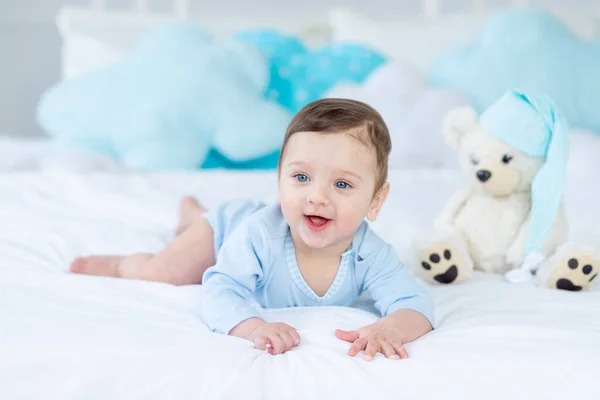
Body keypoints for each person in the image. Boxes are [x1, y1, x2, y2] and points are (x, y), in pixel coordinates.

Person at [70, 98, 434, 360]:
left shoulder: (371, 253)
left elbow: (414, 303)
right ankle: (132, 258)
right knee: (166, 272)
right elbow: (222, 287)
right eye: (301, 177)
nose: (317, 197)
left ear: (376, 200)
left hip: (239, 228)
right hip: (226, 229)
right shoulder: (259, 234)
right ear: (279, 182)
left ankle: (194, 215)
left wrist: (392, 327)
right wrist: (253, 326)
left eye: (342, 185)